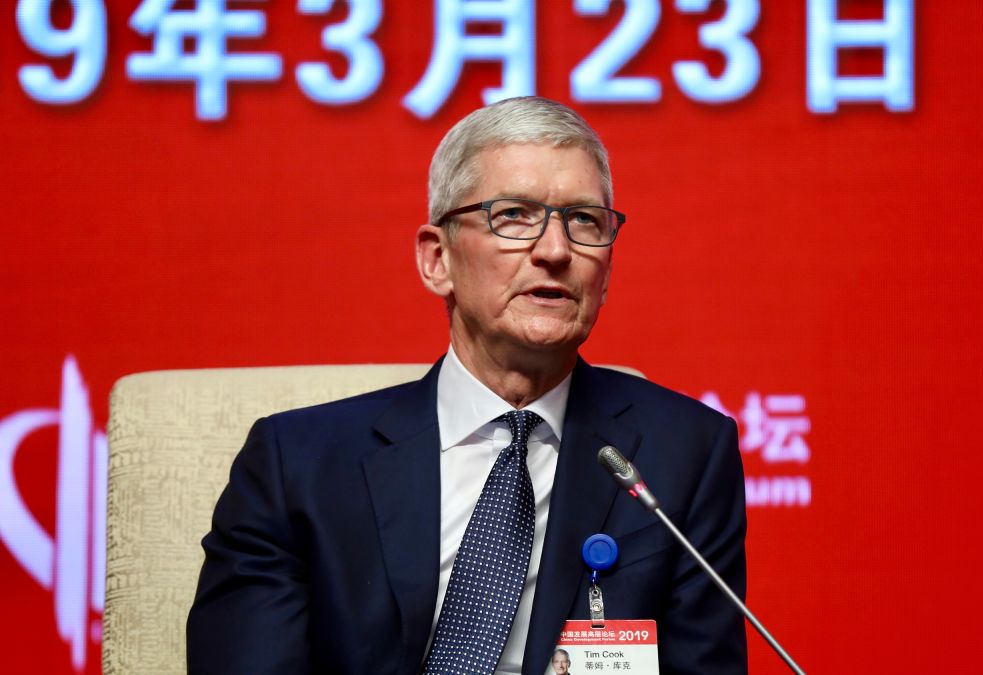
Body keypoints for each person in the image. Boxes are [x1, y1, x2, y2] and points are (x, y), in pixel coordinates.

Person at [186, 96, 747, 675]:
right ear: (438, 260)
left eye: (585, 221)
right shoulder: (298, 464)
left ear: (607, 272)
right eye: (514, 215)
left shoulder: (684, 455)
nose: (556, 251)